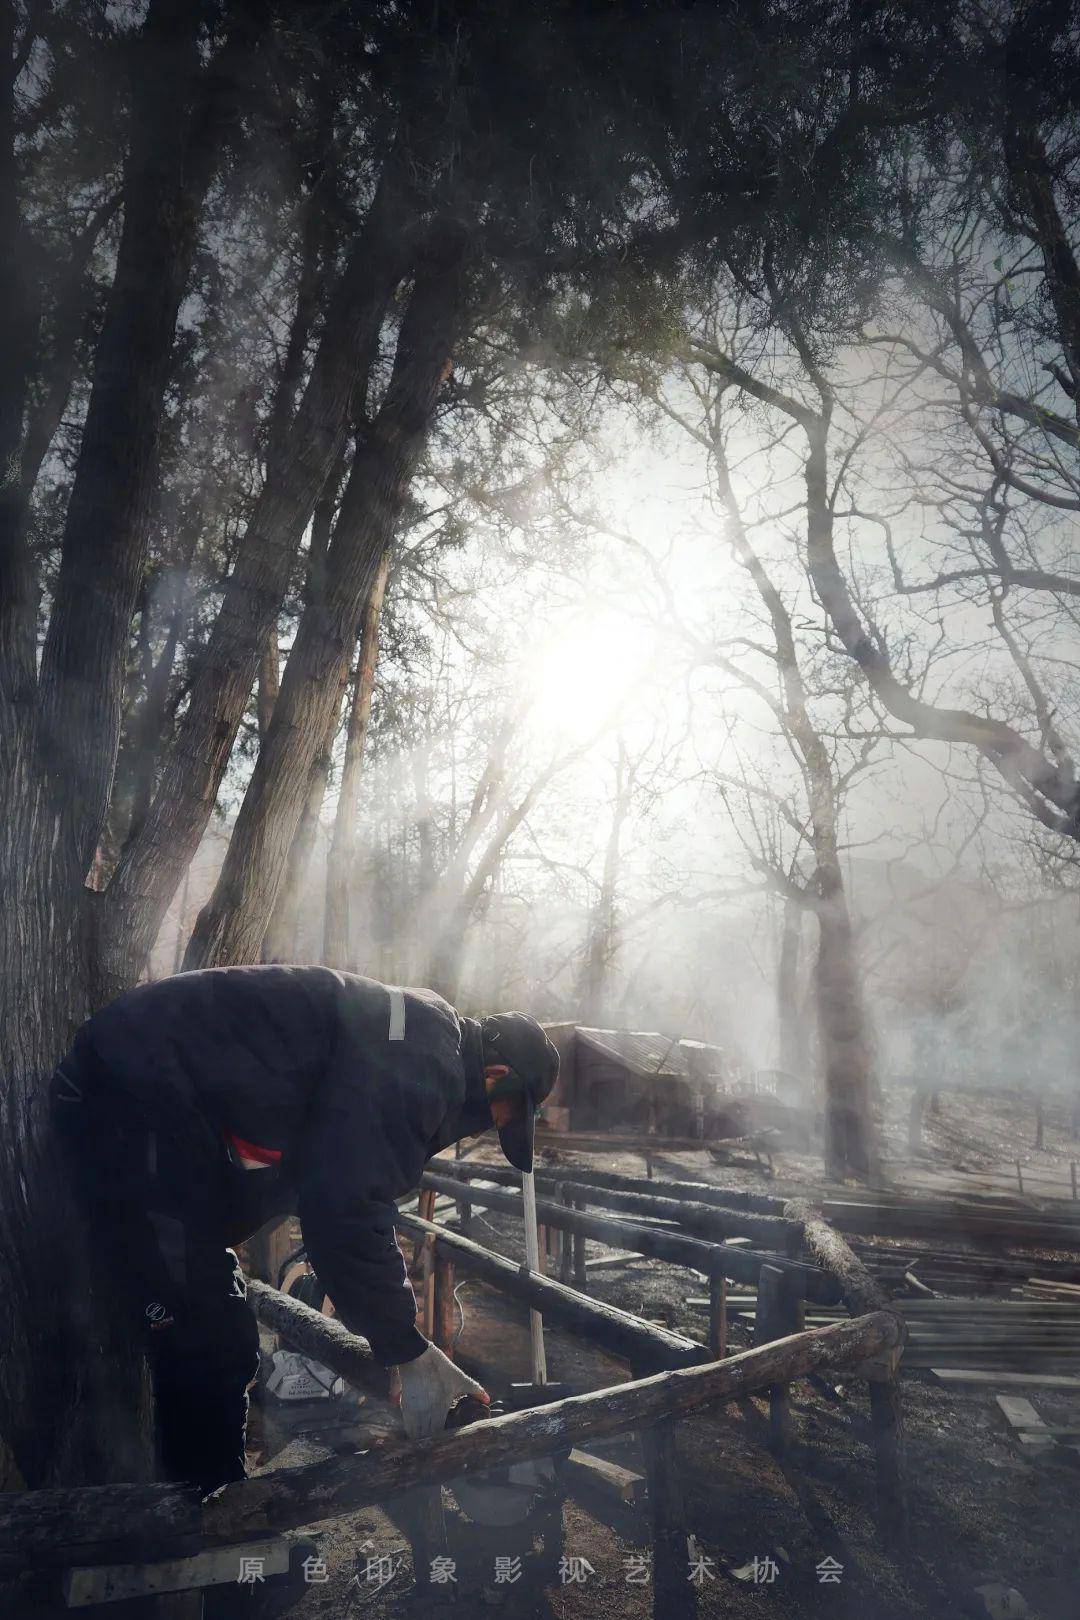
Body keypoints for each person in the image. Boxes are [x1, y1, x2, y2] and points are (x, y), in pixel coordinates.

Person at [49, 966, 559, 1491]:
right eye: (505, 1114)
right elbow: (345, 1206)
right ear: (496, 1075)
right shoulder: (424, 1063)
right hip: (129, 1101)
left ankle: (174, 1505)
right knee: (210, 1337)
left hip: (135, 1097)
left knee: (196, 1314)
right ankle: (198, 1525)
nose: (496, 1126)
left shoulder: (417, 1035)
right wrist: (402, 1344)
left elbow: (308, 1174)